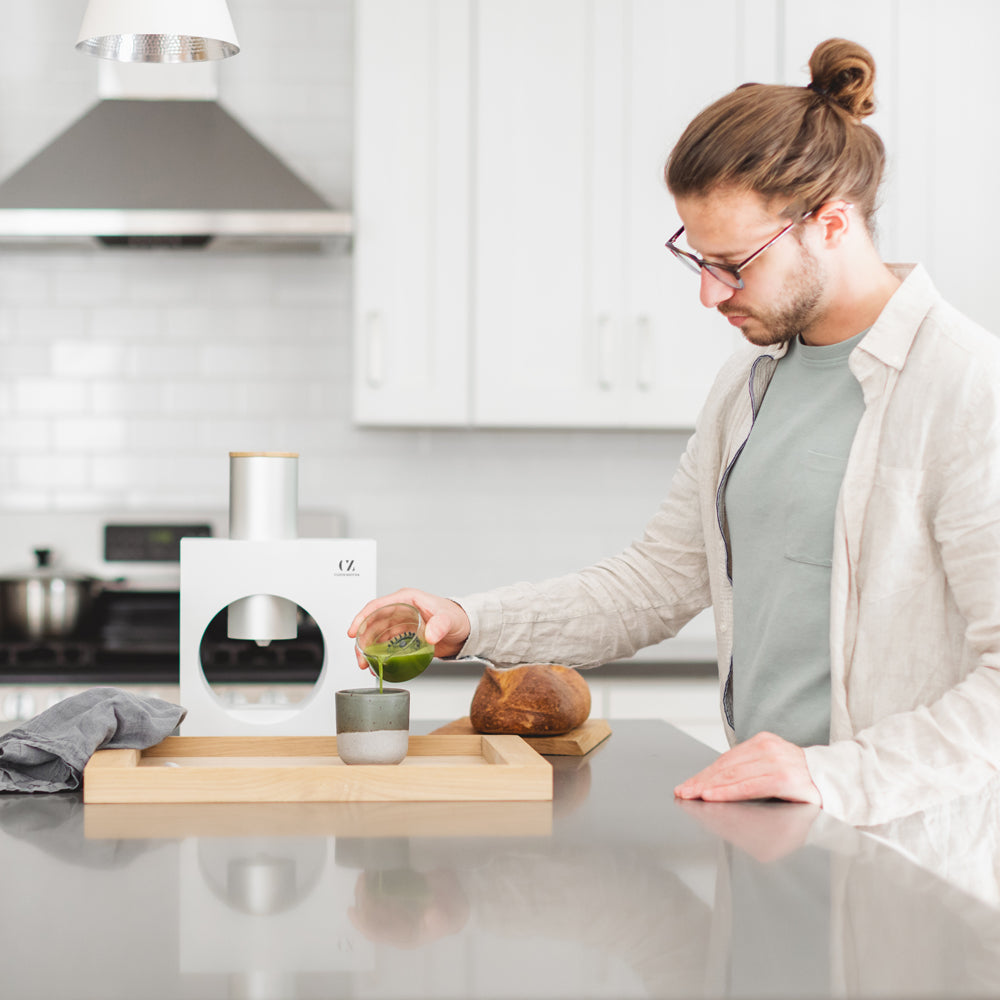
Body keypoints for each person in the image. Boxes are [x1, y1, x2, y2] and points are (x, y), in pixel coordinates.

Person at [349, 37, 1000, 827]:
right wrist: (470, 619)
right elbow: (655, 583)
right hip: (772, 824)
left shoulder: (967, 387)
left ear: (831, 223)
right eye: (695, 260)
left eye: (733, 263)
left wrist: (838, 777)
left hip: (904, 851)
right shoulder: (750, 385)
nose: (708, 295)